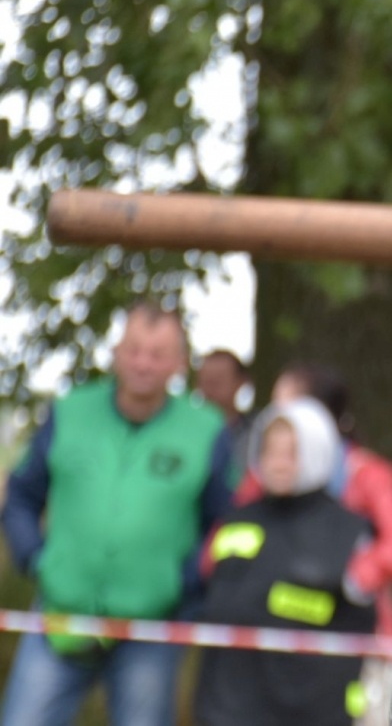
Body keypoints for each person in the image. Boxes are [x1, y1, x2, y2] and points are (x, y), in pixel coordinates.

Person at [0, 301, 233, 726]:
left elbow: (224, 526)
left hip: (152, 625)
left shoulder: (207, 432)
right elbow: (20, 495)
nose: (143, 363)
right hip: (59, 615)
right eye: (134, 350)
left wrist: (182, 582)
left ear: (179, 364)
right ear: (116, 354)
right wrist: (35, 556)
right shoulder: (71, 411)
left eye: (157, 354)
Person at [193, 398, 378, 726]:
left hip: (311, 711)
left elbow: (363, 622)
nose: (278, 463)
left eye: (292, 452)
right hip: (227, 707)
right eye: (271, 451)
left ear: (317, 453)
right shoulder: (237, 519)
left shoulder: (348, 530)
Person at [195, 348, 254, 480]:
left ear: (240, 382)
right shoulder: (187, 432)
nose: (209, 389)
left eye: (217, 381)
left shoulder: (257, 432)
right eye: (204, 381)